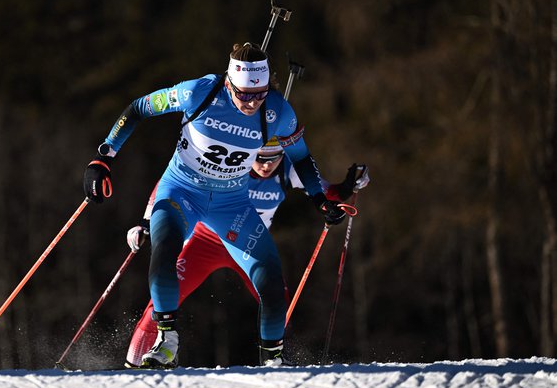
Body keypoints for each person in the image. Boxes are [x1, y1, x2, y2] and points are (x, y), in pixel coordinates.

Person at [83, 42, 349, 368]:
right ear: (229, 83)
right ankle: (167, 341)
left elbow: (302, 158)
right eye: (244, 95)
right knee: (164, 247)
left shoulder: (278, 112)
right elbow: (139, 108)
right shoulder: (200, 93)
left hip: (231, 205)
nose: (252, 103)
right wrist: (104, 157)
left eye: (259, 94)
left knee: (271, 279)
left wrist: (320, 199)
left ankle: (273, 363)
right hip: (182, 192)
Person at [123, 138, 369, 367]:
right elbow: (170, 182)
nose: (266, 165)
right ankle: (134, 365)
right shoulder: (230, 164)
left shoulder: (287, 170)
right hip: (205, 243)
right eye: (260, 158)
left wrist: (349, 185)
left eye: (274, 158)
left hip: (248, 245)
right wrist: (146, 222)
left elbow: (327, 193)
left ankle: (279, 363)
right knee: (162, 301)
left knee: (278, 302)